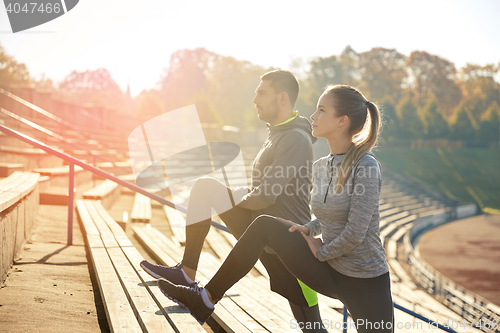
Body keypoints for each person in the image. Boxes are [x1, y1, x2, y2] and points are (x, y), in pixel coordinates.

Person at [157, 85, 395, 333]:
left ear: (341, 121)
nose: (312, 116)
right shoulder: (323, 165)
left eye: (322, 110)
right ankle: (205, 299)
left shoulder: (366, 167)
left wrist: (321, 250)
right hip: (330, 270)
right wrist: (309, 228)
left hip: (365, 282)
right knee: (265, 225)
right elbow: (327, 215)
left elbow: (356, 232)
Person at [140, 69, 328, 331]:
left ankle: (203, 298)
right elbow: (260, 189)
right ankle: (187, 273)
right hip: (262, 231)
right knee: (206, 188)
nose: (255, 100)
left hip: (290, 246)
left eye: (262, 93)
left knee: (312, 326)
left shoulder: (295, 138)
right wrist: (237, 194)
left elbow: (264, 195)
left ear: (282, 98)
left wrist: (238, 197)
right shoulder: (278, 132)